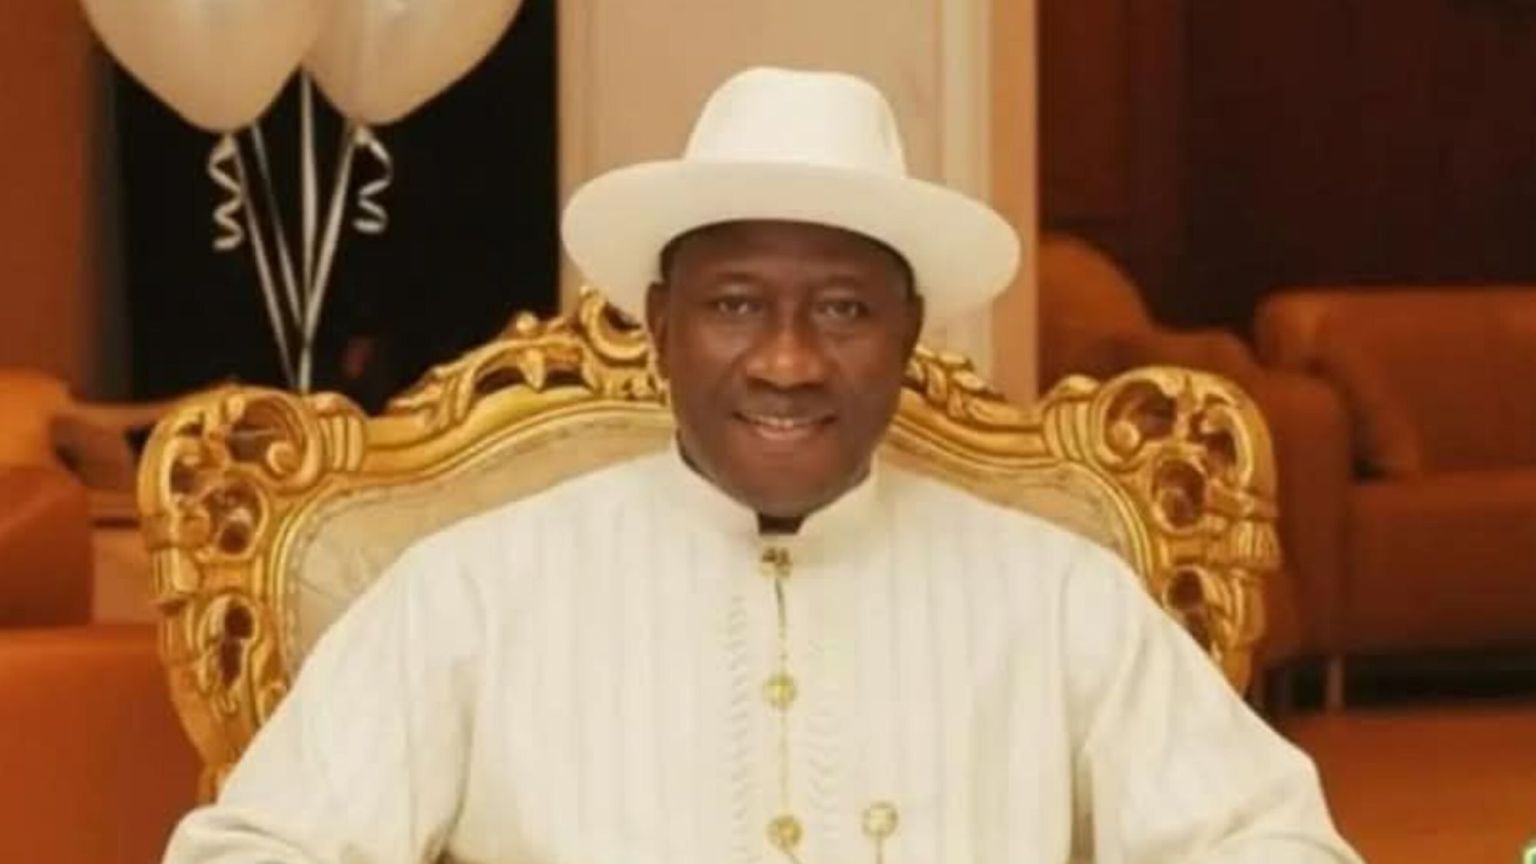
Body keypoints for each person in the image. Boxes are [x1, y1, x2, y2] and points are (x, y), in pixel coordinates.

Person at [164, 66, 1360, 863]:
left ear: (909, 332)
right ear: (657, 322)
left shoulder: (1057, 596)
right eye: (735, 304)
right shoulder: (469, 589)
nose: (788, 361)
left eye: (842, 310)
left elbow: (1271, 842)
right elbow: (256, 848)